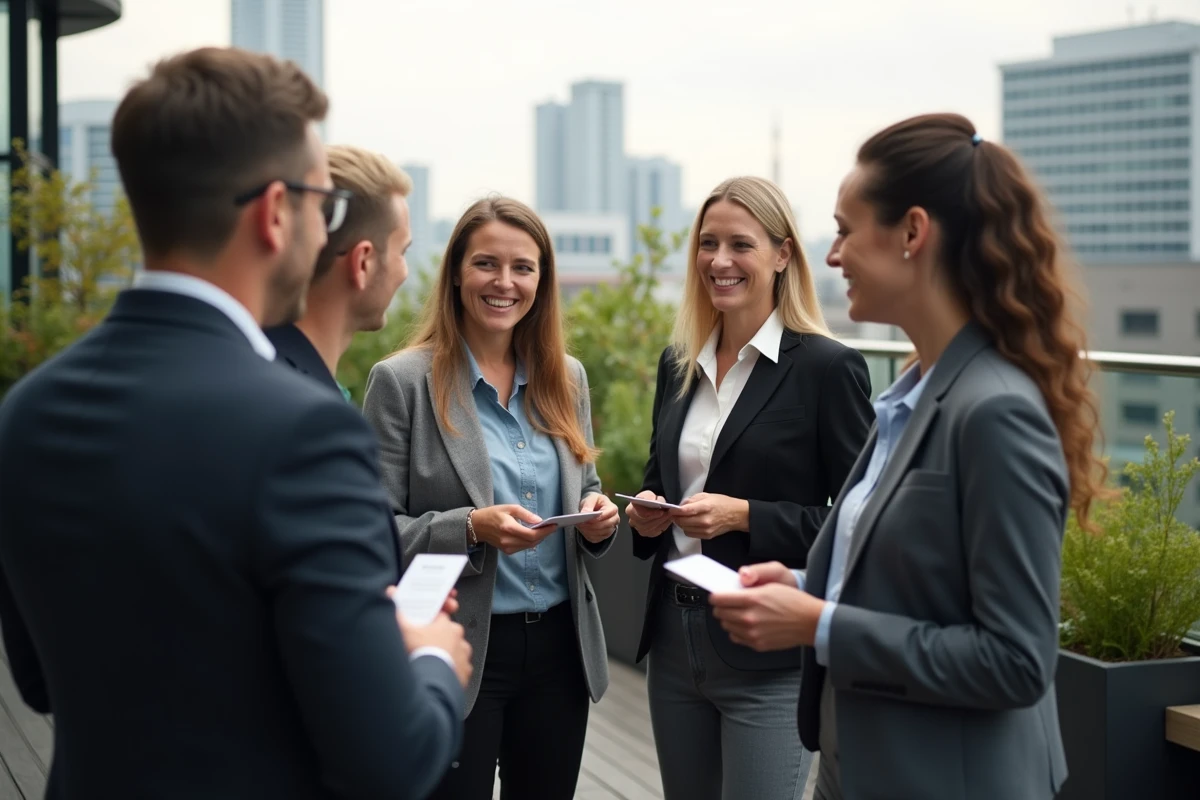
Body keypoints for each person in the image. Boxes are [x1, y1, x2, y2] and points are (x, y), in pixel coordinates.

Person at [0, 47, 471, 800]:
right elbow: (391, 760)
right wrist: (430, 659)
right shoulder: (306, 433)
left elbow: (39, 680)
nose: (325, 231)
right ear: (275, 212)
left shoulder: (26, 413)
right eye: (320, 203)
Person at [709, 113, 1105, 800]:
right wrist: (807, 585)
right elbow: (919, 584)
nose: (832, 257)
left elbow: (1015, 661)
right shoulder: (910, 398)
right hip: (860, 762)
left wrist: (819, 624)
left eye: (844, 230)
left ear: (913, 233)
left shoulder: (996, 412)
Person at [622, 176, 874, 800]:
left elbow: (862, 525)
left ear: (783, 255)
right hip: (673, 642)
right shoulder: (678, 364)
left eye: (740, 244)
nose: (719, 261)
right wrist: (648, 513)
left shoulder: (827, 369)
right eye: (708, 244)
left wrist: (745, 517)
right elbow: (659, 482)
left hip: (768, 652)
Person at [362, 196, 619, 800]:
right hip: (456, 645)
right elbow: (369, 532)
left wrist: (597, 517)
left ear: (541, 280)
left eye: (523, 267)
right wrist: (471, 527)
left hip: (561, 650)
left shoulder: (567, 377)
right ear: (456, 272)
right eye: (486, 264)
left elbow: (583, 486)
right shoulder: (401, 383)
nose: (505, 282)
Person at [266, 144, 413, 400]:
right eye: (402, 252)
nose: (405, 272)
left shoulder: (252, 362)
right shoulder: (309, 408)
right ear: (363, 263)